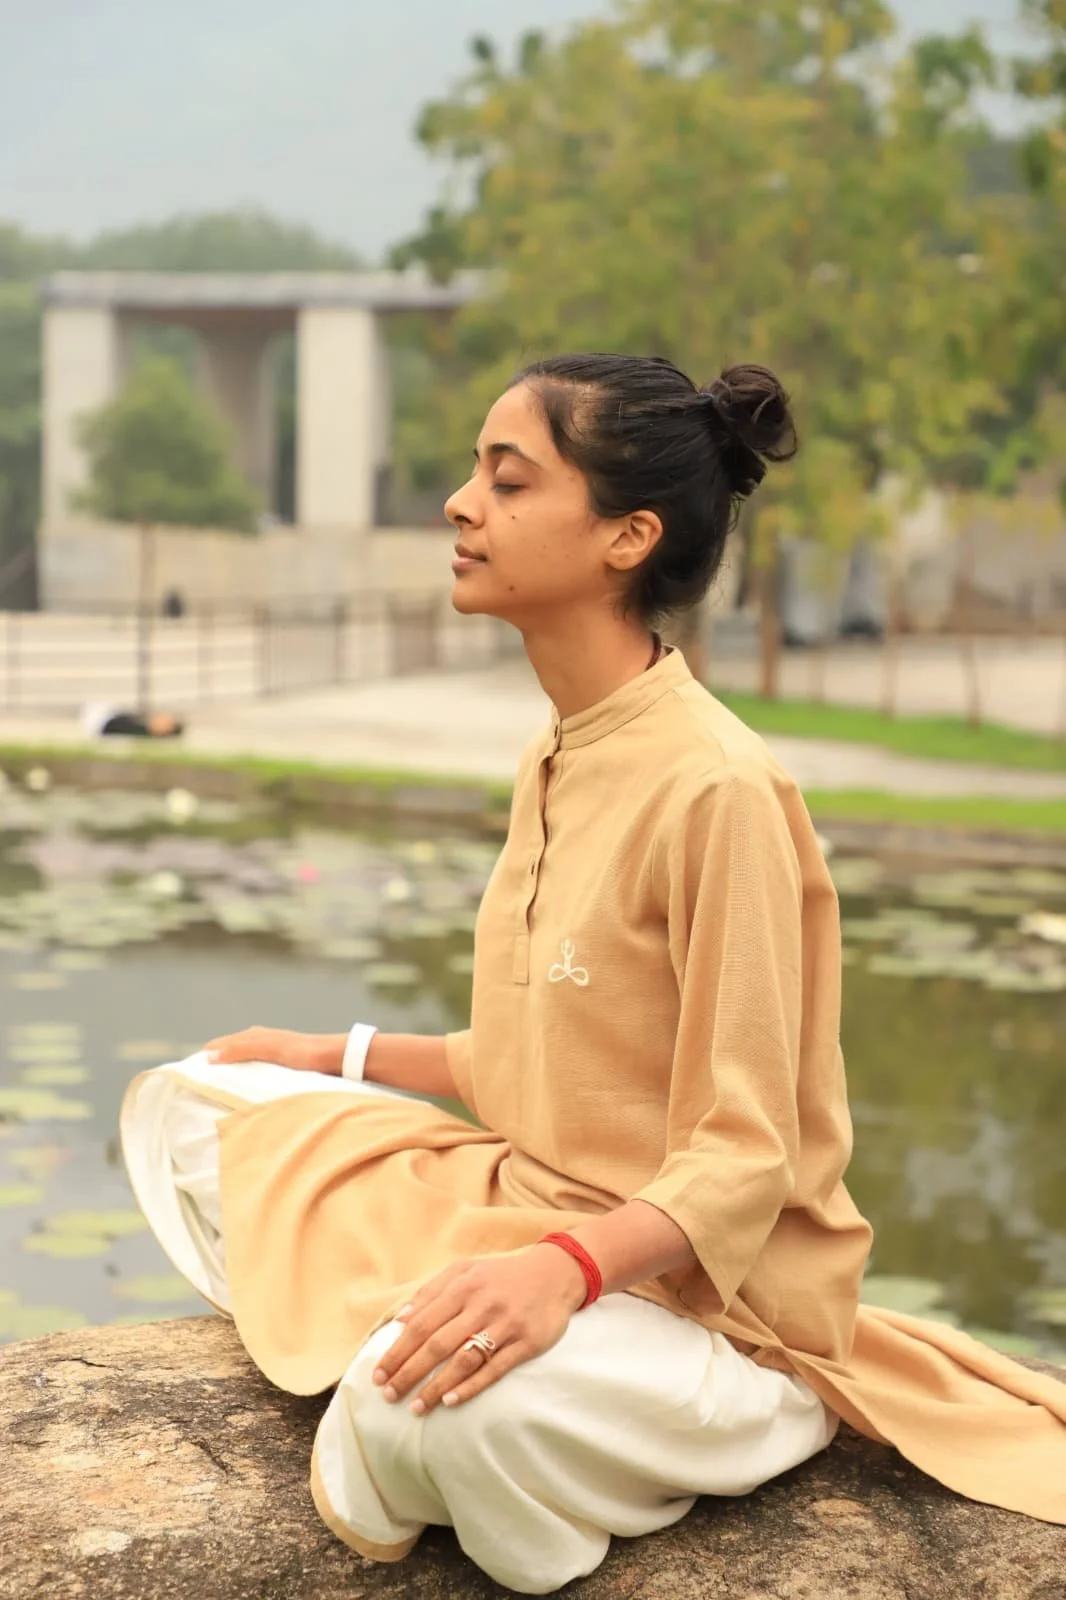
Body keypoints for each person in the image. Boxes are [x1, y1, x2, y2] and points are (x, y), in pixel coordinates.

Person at [121, 354, 1066, 1595]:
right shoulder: (557, 756)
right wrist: (324, 1055)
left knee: (428, 1414)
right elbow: (529, 1064)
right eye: (472, 475)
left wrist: (557, 1273)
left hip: (699, 1302)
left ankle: (619, 1416)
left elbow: (744, 1158)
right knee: (192, 1101)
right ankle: (451, 1347)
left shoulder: (718, 789)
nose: (461, 504)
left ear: (627, 536)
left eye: (505, 482)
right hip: (528, 1196)